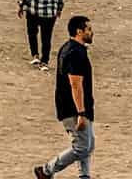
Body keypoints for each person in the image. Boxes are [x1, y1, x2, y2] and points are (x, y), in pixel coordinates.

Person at [34, 16, 95, 179]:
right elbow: (75, 84)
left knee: (88, 145)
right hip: (73, 108)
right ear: (79, 31)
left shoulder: (69, 48)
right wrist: (81, 113)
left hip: (77, 106)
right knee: (82, 147)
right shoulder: (75, 53)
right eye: (88, 29)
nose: (91, 32)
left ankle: (84, 176)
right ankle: (46, 170)